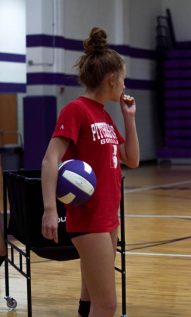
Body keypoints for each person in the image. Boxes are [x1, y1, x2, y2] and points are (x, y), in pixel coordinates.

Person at [41, 27, 140, 317]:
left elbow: (132, 160)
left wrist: (128, 118)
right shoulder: (76, 110)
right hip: (89, 218)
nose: (124, 85)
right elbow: (50, 159)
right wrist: (49, 209)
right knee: (107, 305)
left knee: (91, 297)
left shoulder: (105, 114)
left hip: (108, 217)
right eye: (123, 79)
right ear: (112, 79)